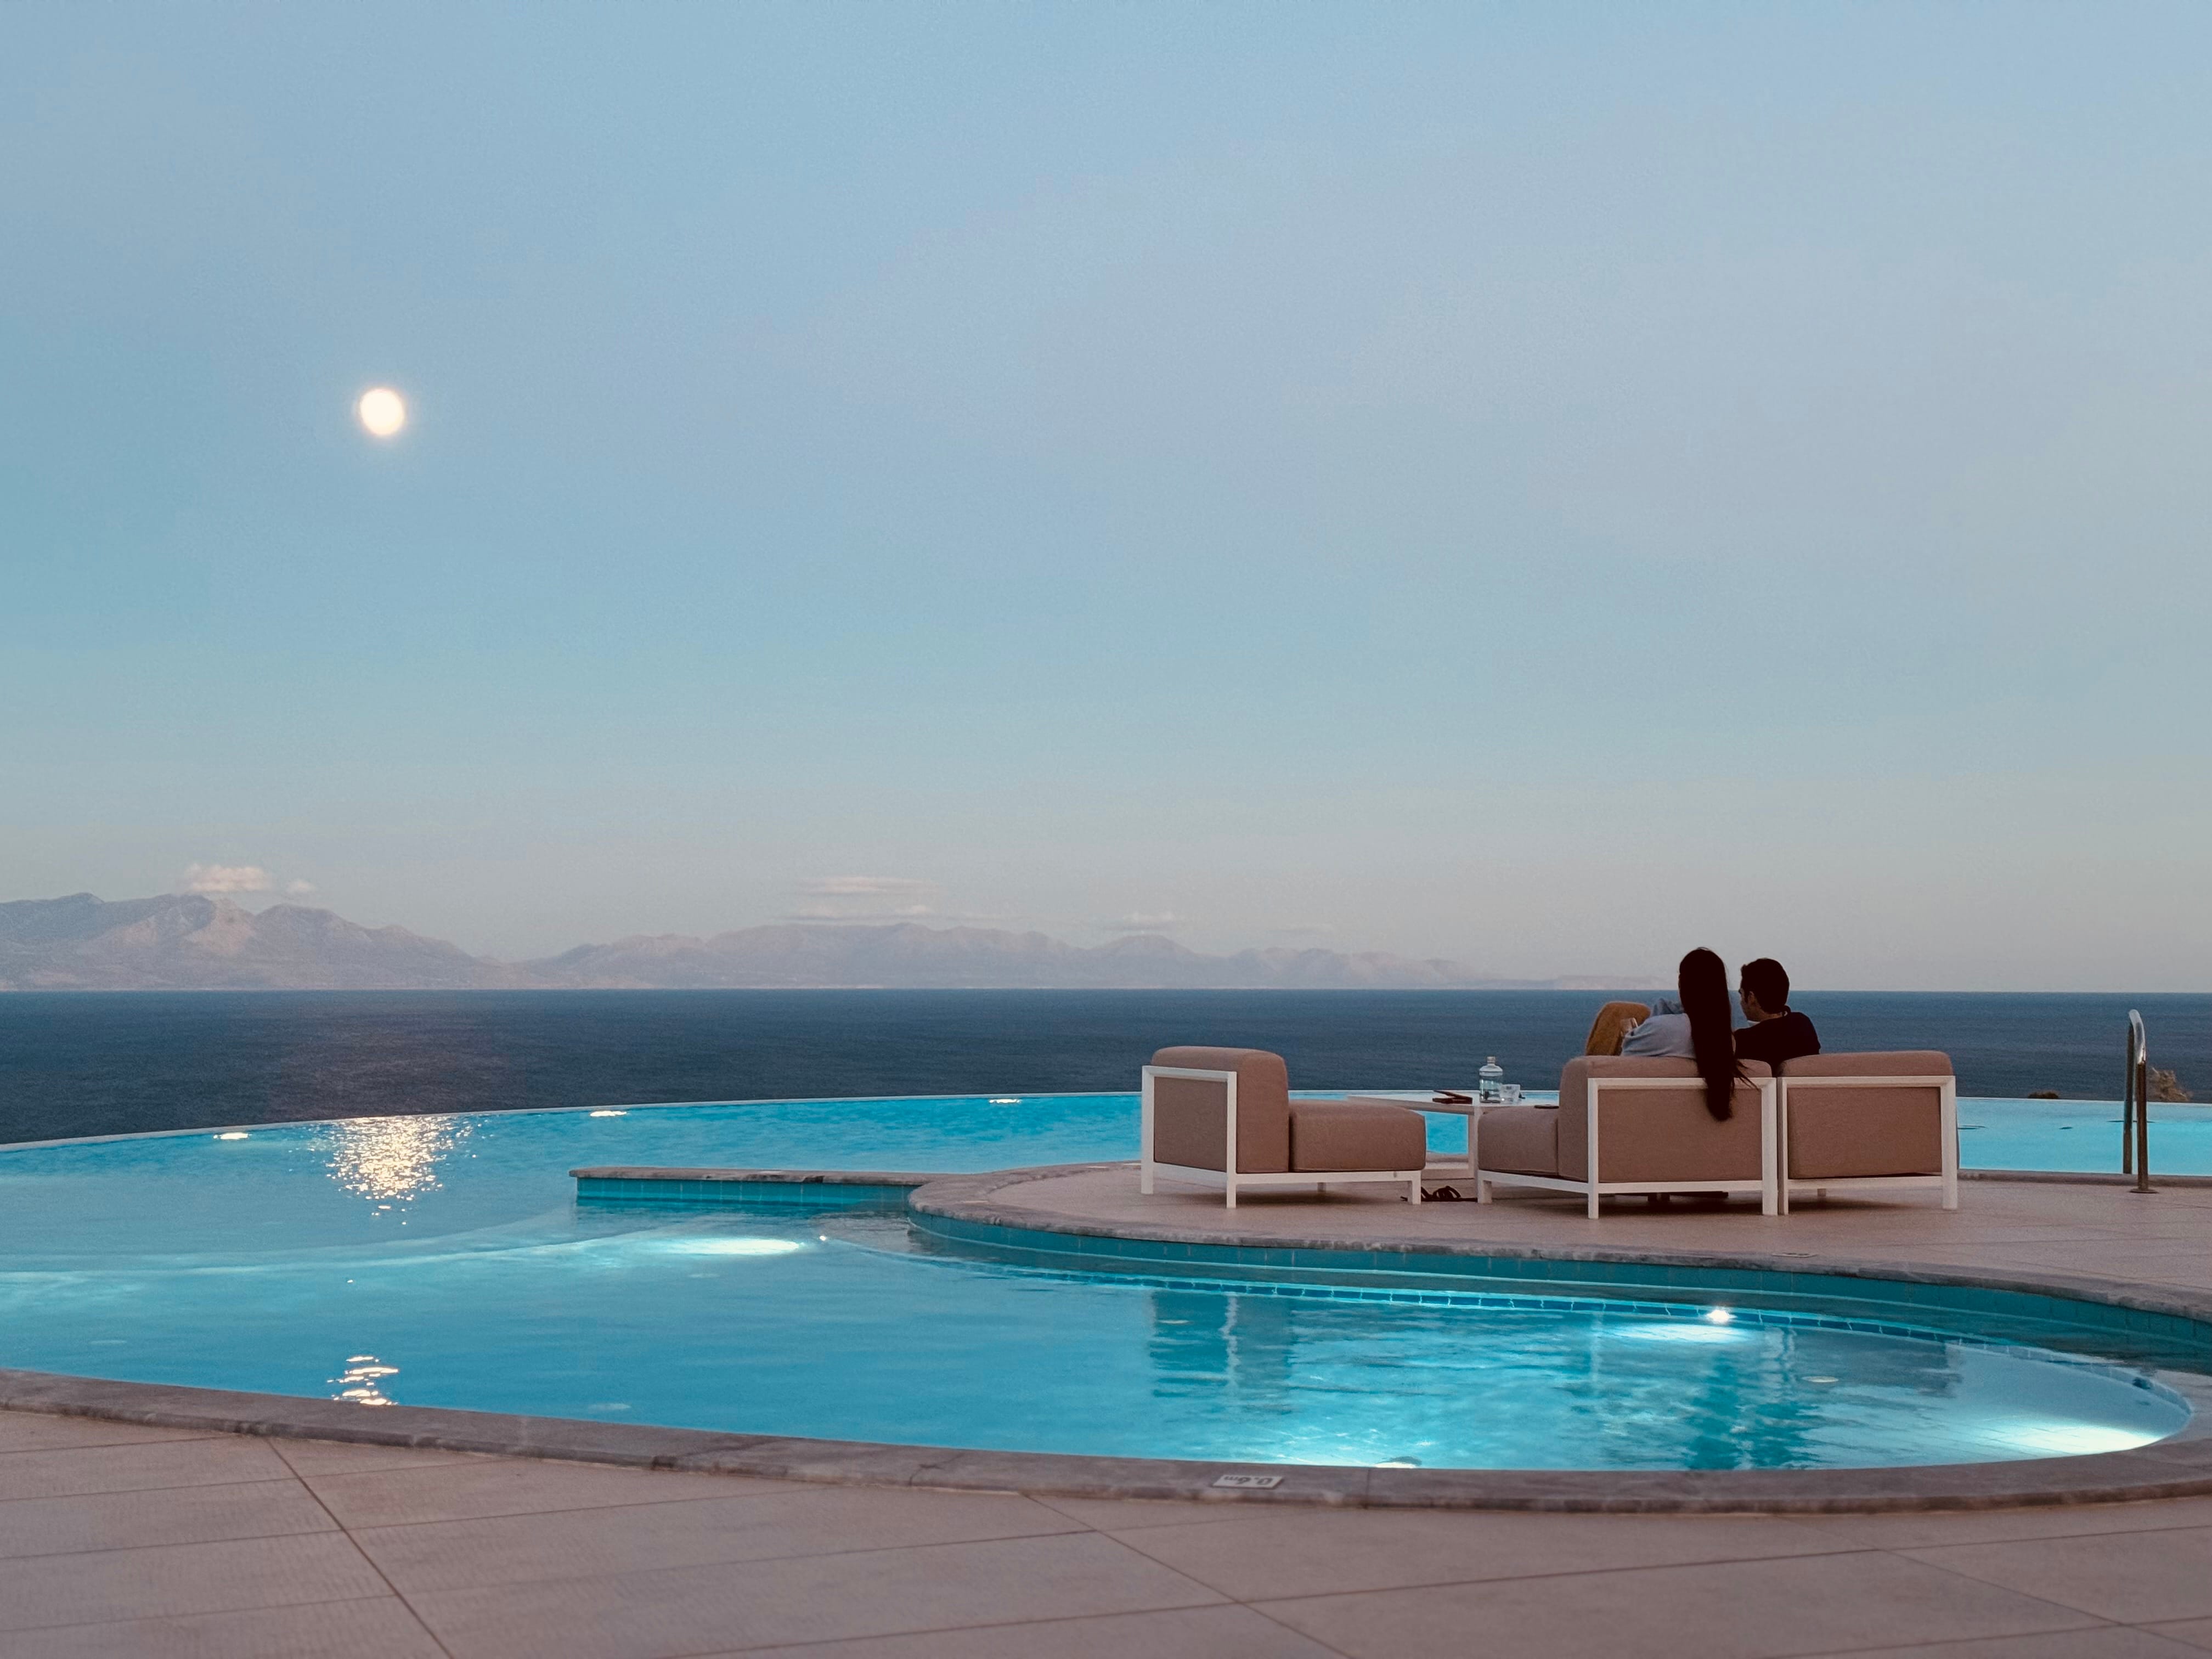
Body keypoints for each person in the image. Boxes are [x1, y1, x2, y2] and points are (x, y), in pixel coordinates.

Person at [1619, 947, 1742, 1120]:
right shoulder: (1726, 1041)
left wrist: (1658, 1016)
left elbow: (1621, 1063)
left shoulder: (1663, 1029)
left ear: (1682, 983)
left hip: (1650, 1119)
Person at [1734, 957, 1820, 1067]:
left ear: (1751, 998)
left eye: (1741, 995)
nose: (1741, 1002)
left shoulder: (1743, 1041)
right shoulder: (1803, 1024)